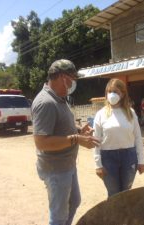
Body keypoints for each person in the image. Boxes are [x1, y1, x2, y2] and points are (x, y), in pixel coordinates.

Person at [31, 59, 100, 225]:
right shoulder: (45, 103)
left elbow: (60, 125)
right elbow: (42, 142)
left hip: (67, 165)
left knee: (74, 201)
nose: (73, 83)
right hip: (56, 169)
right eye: (72, 78)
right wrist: (77, 139)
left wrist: (78, 130)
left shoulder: (60, 99)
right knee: (59, 216)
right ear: (62, 77)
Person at [93, 78, 144, 197]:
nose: (112, 95)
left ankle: (125, 216)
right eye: (109, 91)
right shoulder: (101, 114)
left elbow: (138, 138)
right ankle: (114, 216)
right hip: (108, 158)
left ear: (123, 93)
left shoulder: (130, 113)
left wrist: (141, 161)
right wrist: (98, 165)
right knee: (113, 194)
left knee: (127, 192)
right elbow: (96, 140)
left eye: (116, 92)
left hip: (129, 157)